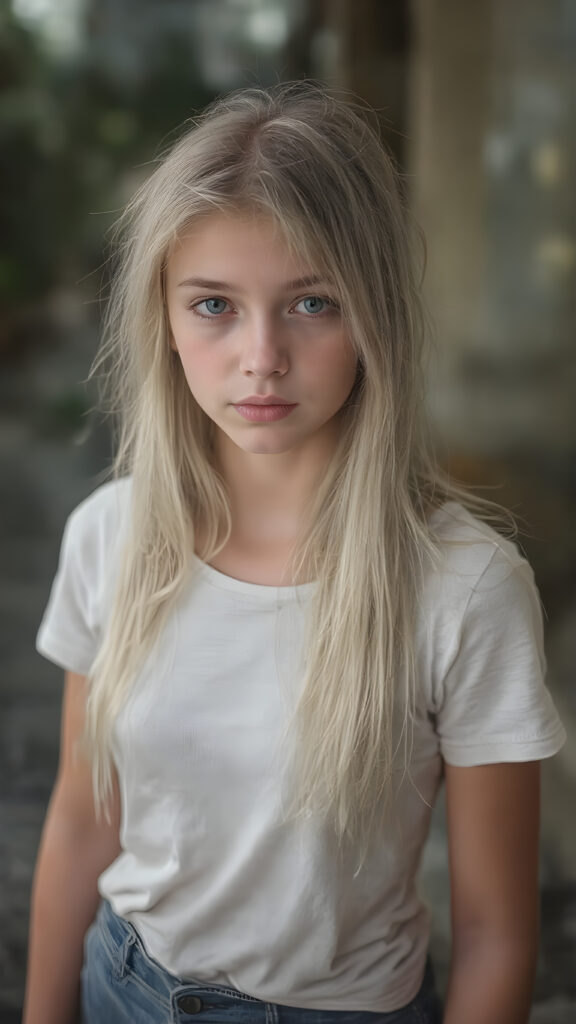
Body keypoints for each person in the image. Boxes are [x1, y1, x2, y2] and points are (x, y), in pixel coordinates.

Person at [24, 82, 565, 1024]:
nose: (261, 355)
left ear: (375, 315)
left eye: (312, 301)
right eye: (214, 306)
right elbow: (81, 823)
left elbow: (496, 936)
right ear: (164, 321)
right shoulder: (109, 536)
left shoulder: (466, 588)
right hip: (122, 985)